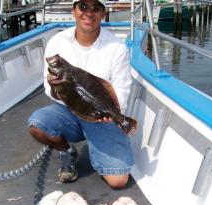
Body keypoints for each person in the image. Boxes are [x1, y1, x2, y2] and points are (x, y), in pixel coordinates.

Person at [27, 0, 134, 188]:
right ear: (74, 11)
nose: (88, 13)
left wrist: (114, 115)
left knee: (118, 181)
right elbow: (48, 86)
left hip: (101, 115)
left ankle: (100, 141)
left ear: (102, 13)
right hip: (69, 110)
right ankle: (66, 150)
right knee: (37, 124)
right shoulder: (57, 42)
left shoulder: (117, 47)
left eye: (95, 8)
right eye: (83, 7)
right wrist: (55, 87)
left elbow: (121, 88)